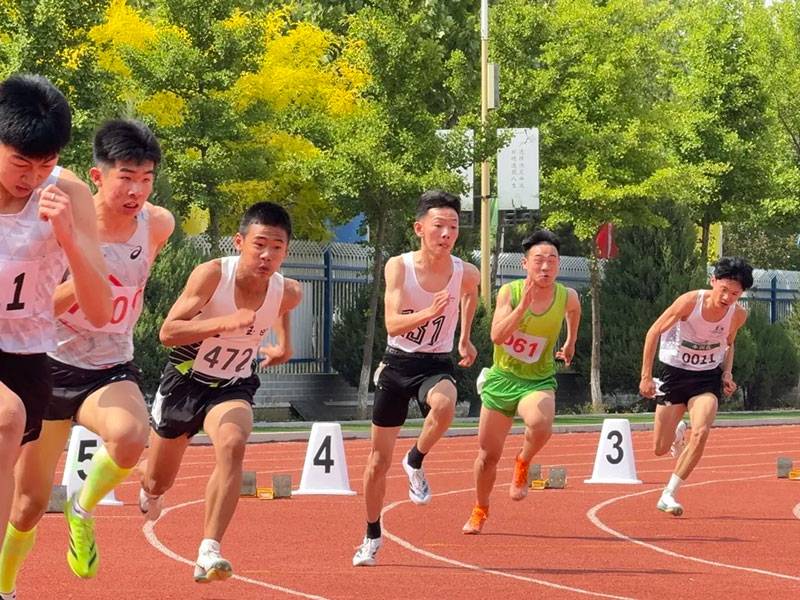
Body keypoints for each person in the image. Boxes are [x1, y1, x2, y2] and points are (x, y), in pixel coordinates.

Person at [0, 119, 174, 592]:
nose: (136, 190)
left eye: (146, 179)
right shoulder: (67, 217)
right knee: (28, 505)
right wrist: (87, 280)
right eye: (126, 178)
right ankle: (8, 585)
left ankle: (81, 507)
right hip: (51, 363)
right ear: (97, 177)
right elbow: (36, 305)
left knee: (131, 436)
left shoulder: (157, 225)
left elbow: (129, 288)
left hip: (108, 365)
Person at [139, 201, 302, 583]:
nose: (267, 255)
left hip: (232, 385)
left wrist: (283, 346)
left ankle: (209, 550)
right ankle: (147, 481)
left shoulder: (289, 290)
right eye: (259, 244)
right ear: (239, 242)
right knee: (158, 480)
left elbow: (281, 307)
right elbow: (168, 332)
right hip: (185, 382)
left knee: (233, 443)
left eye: (276, 247)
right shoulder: (212, 275)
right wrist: (224, 323)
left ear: (286, 251)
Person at [0, 74, 111, 600]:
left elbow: (99, 308)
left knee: (17, 475)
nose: (32, 178)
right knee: (5, 419)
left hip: (26, 354)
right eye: (21, 164)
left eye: (45, 165)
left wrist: (68, 237)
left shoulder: (68, 194)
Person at [352, 190, 480, 567]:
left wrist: (464, 336)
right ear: (419, 228)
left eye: (453, 226)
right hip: (397, 364)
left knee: (445, 404)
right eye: (439, 226)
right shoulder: (399, 267)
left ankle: (416, 458)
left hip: (435, 364)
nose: (447, 233)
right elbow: (392, 324)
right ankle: (371, 535)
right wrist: (430, 312)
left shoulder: (464, 271)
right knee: (377, 462)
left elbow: (471, 293)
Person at [462, 230, 580, 534]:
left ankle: (523, 461)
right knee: (487, 457)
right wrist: (522, 308)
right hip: (503, 379)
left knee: (541, 422)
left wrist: (570, 342)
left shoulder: (566, 296)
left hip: (537, 380)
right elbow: (497, 336)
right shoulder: (510, 292)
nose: (546, 266)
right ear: (525, 264)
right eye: (538, 260)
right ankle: (480, 508)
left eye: (552, 260)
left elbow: (574, 311)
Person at [639, 256, 752, 516]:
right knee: (659, 448)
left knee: (701, 432)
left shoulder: (738, 315)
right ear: (713, 281)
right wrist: (646, 376)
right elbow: (654, 332)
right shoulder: (690, 302)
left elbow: (729, 343)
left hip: (706, 379)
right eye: (724, 290)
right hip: (674, 375)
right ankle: (677, 434)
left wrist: (727, 373)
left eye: (735, 294)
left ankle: (669, 493)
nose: (727, 297)